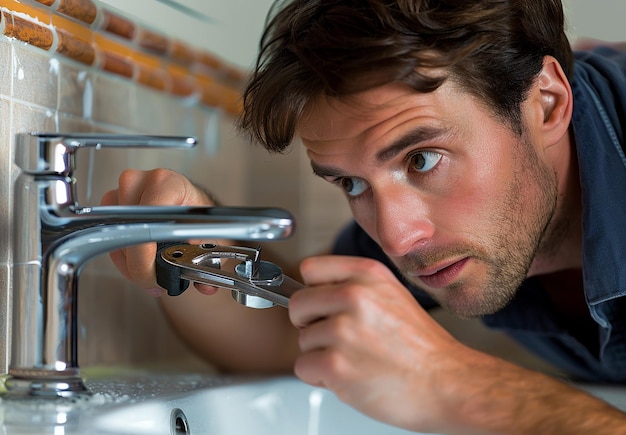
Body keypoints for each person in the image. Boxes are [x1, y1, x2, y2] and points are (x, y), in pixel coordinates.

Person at [101, 0, 626, 433]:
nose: (397, 237)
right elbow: (296, 338)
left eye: (421, 159)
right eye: (350, 183)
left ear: (548, 104)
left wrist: (451, 381)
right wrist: (192, 247)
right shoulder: (429, 219)